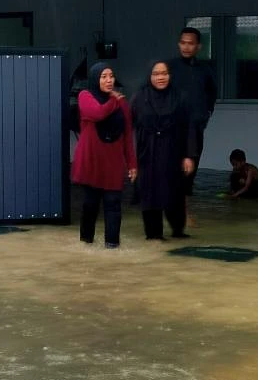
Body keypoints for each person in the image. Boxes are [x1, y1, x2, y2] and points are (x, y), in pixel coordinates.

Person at [70, 62, 136, 248]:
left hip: (113, 162)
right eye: (104, 76)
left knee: (113, 203)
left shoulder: (122, 103)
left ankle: (112, 245)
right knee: (90, 205)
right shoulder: (85, 96)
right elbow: (97, 114)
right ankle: (86, 243)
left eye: (111, 76)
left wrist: (132, 164)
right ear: (95, 79)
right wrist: (114, 100)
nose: (109, 80)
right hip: (92, 160)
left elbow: (127, 136)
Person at [131, 60, 198, 240]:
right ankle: (154, 234)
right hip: (148, 152)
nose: (161, 77)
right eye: (156, 74)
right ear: (149, 76)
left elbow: (189, 127)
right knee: (150, 193)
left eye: (164, 73)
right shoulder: (139, 97)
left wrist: (189, 156)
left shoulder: (180, 97)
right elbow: (127, 121)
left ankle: (178, 230)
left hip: (173, 151)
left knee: (174, 192)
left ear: (170, 75)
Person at [167, 27, 217, 225]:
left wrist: (202, 118)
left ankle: (183, 213)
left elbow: (211, 95)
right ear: (179, 44)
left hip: (194, 130)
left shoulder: (205, 70)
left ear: (198, 46)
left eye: (191, 43)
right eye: (183, 42)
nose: (186, 47)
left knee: (188, 172)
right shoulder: (169, 68)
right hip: (170, 129)